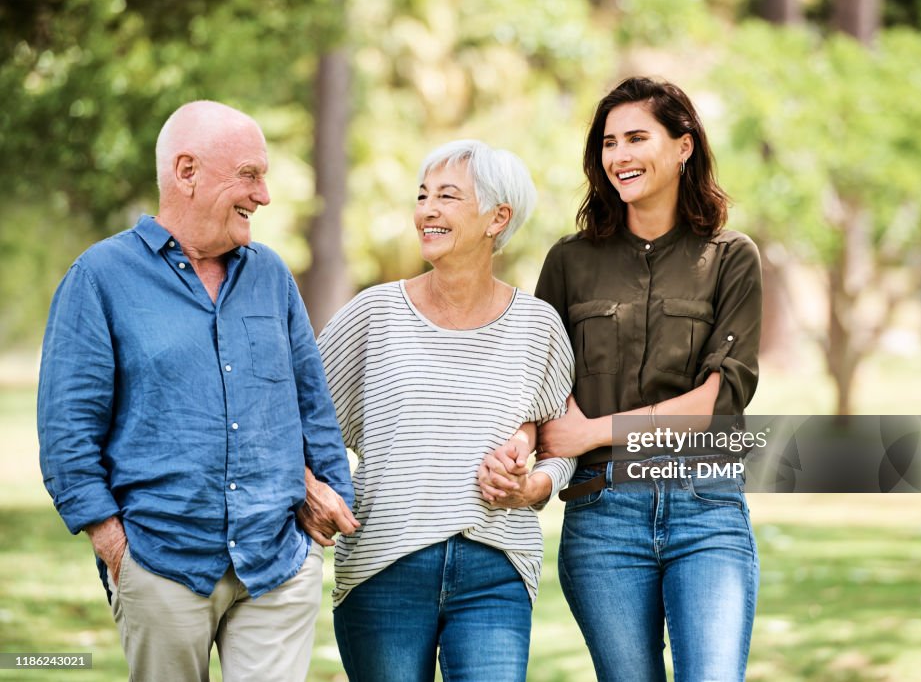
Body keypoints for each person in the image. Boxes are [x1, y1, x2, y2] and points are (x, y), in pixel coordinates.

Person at [37, 101, 357, 682]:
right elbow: (67, 431)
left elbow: (313, 404)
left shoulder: (271, 275)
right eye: (249, 175)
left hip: (277, 563)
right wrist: (115, 546)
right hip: (160, 560)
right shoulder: (99, 278)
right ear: (186, 172)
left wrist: (332, 496)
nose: (263, 195)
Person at [315, 139, 574, 681]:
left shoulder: (539, 326)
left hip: (495, 570)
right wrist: (310, 485)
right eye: (423, 196)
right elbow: (300, 420)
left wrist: (534, 486)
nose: (427, 210)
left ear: (497, 217)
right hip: (383, 569)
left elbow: (558, 442)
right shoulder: (374, 313)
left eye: (448, 197)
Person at [535, 77, 762, 681]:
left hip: (705, 505)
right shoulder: (568, 262)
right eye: (609, 142)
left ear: (684, 146)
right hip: (602, 515)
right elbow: (541, 393)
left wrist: (591, 433)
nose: (620, 156)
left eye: (637, 137)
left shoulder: (732, 257)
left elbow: (711, 407)